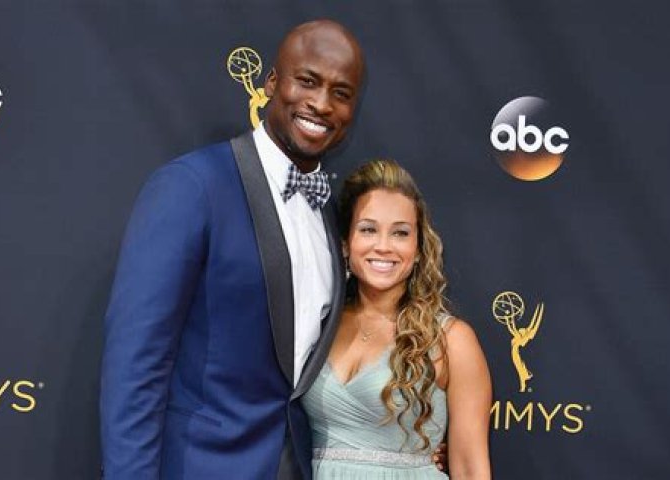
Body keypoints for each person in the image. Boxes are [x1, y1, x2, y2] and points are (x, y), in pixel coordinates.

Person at [100, 20, 364, 479]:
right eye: (307, 81)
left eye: (340, 93)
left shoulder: (328, 212)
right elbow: (135, 364)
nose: (322, 104)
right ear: (271, 83)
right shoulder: (193, 186)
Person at [302, 160, 492, 479]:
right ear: (345, 243)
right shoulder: (316, 324)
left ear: (418, 249)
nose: (383, 246)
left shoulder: (451, 340)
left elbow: (471, 468)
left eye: (400, 233)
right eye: (368, 229)